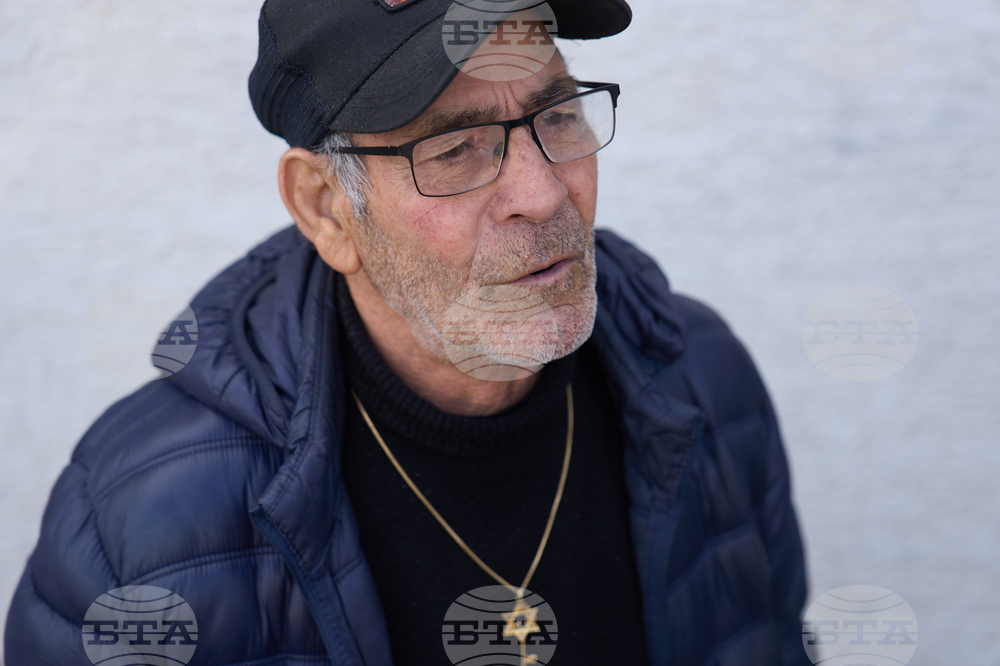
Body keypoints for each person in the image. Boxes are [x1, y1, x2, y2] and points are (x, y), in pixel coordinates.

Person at [5, 0, 810, 664]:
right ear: (327, 208)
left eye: (557, 114)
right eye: (456, 149)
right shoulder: (134, 528)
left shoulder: (705, 382)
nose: (542, 191)